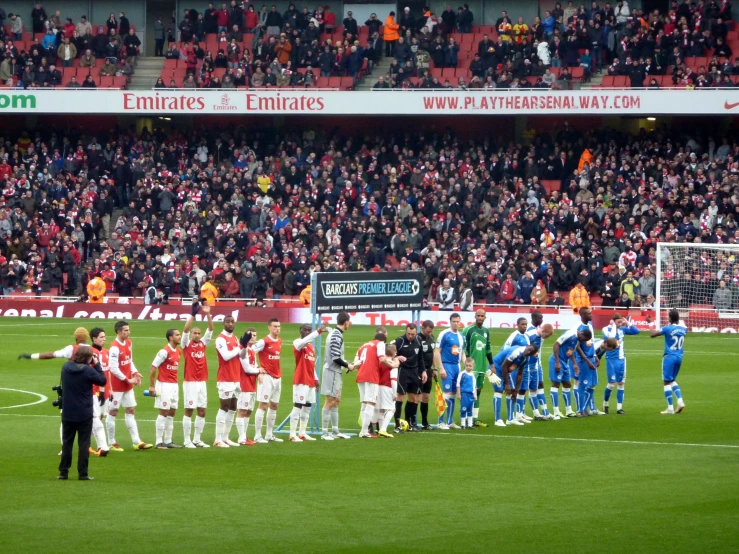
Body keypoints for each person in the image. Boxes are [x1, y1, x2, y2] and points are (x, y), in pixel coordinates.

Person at [18, 327, 91, 454]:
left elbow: (51, 355)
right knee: (90, 419)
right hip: (89, 389)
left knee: (65, 417)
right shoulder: (94, 350)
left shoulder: (71, 349)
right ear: (88, 337)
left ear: (75, 338)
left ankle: (65, 448)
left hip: (71, 388)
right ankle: (93, 447)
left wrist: (31, 356)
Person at [58, 345, 106, 480]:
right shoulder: (88, 371)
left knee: (67, 443)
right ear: (89, 358)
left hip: (68, 412)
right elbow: (102, 380)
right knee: (84, 444)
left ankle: (63, 472)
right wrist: (97, 365)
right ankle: (83, 473)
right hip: (84, 412)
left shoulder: (65, 367)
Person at [107, 321, 153, 451]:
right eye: (126, 330)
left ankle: (136, 441)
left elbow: (129, 360)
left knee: (131, 410)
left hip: (128, 384)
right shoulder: (114, 348)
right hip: (116, 386)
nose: (128, 332)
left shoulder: (128, 343)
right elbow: (113, 368)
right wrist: (127, 379)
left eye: (128, 330)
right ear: (119, 332)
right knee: (113, 412)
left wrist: (135, 372)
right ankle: (111, 442)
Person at [356, 327, 399, 438]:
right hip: (371, 376)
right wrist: (393, 365)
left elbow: (357, 362)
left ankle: (365, 429)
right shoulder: (379, 344)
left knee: (365, 403)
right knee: (371, 403)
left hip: (360, 375)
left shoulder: (363, 345)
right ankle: (365, 431)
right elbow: (382, 359)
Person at [181, 302, 213, 448]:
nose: (197, 335)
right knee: (189, 410)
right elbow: (186, 329)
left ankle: (197, 439)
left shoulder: (203, 344)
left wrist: (207, 314)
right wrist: (193, 315)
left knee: (202, 410)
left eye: (199, 333)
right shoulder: (186, 344)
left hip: (202, 382)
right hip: (190, 381)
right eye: (195, 333)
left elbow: (211, 329)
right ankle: (187, 440)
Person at [290, 323, 326, 441]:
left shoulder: (311, 347)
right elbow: (304, 341)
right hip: (301, 379)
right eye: (305, 330)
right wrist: (318, 331)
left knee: (307, 406)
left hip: (310, 380)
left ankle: (302, 432)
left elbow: (311, 365)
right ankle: (292, 434)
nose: (307, 332)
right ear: (300, 330)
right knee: (298, 405)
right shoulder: (297, 343)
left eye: (309, 330)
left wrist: (316, 379)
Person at [321, 311, 354, 440]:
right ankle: (324, 433)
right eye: (349, 322)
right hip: (331, 371)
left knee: (336, 401)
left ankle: (335, 431)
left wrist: (346, 363)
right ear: (346, 322)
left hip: (336, 372)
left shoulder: (336, 334)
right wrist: (348, 366)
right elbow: (335, 357)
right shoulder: (336, 336)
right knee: (330, 401)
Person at [149, 328, 183, 449]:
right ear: (170, 337)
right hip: (164, 384)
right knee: (163, 411)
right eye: (177, 335)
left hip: (174, 385)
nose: (180, 337)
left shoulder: (178, 352)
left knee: (172, 411)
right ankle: (158, 442)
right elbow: (153, 367)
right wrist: (152, 386)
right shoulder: (164, 351)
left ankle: (168, 441)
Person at [252, 317, 283, 443]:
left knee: (274, 405)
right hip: (267, 377)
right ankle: (257, 435)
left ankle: (269, 434)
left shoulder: (279, 341)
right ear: (269, 327)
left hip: (277, 377)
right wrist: (257, 368)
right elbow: (250, 352)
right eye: (274, 326)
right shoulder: (263, 341)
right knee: (263, 405)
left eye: (279, 326)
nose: (277, 329)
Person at [650, 309, 687, 414]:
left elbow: (652, 334)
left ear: (670, 318)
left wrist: (650, 323)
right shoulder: (684, 329)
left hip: (669, 357)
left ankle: (670, 408)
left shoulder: (667, 328)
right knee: (672, 380)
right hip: (679, 357)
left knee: (666, 381)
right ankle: (680, 401)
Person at [491, 344, 538, 427]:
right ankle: (497, 419)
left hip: (506, 370)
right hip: (496, 368)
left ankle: (510, 419)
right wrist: (507, 384)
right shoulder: (516, 352)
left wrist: (516, 390)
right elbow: (503, 366)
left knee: (512, 392)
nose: (528, 352)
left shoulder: (526, 359)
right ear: (527, 346)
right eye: (529, 349)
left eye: (531, 352)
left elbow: (520, 374)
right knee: (499, 391)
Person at [550, 325, 591, 420]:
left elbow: (570, 351)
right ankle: (556, 412)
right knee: (555, 384)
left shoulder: (577, 339)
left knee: (567, 384)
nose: (583, 341)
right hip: (557, 361)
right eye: (583, 339)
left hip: (565, 362)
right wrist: (557, 362)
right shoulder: (570, 334)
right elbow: (556, 344)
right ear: (581, 333)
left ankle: (568, 410)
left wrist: (575, 364)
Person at [602, 313, 640, 414]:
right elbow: (611, 338)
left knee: (621, 383)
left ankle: (619, 408)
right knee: (611, 384)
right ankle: (605, 404)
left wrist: (627, 322)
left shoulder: (622, 329)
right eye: (618, 322)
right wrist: (614, 325)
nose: (620, 324)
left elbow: (636, 331)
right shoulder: (606, 329)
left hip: (622, 360)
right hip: (611, 359)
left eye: (621, 322)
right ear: (613, 321)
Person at [393, 323, 428, 432]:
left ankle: (408, 423)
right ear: (406, 331)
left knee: (412, 398)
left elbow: (420, 357)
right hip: (402, 371)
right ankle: (397, 425)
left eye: (412, 334)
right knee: (400, 397)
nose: (410, 336)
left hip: (414, 371)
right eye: (408, 333)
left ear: (416, 332)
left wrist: (423, 371)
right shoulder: (399, 341)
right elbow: (387, 350)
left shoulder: (418, 341)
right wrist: (397, 356)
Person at [214, 315, 242, 447]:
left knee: (233, 407)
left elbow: (241, 356)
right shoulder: (220, 339)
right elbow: (226, 356)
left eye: (232, 322)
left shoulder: (235, 338)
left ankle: (225, 437)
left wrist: (244, 347)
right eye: (228, 322)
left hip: (236, 377)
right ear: (223, 323)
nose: (230, 324)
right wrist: (239, 347)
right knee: (224, 407)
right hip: (225, 377)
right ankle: (218, 439)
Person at [462, 309, 493, 427]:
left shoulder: (486, 331)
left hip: (482, 367)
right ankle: (465, 417)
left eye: (482, 316)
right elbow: (463, 347)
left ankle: (475, 418)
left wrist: (492, 365)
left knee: (478, 392)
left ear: (485, 317)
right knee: (469, 392)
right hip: (471, 368)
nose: (480, 317)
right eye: (478, 315)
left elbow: (488, 348)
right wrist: (467, 363)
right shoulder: (468, 330)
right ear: (475, 316)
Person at [434, 313, 464, 429]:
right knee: (446, 394)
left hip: (457, 367)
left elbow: (462, 353)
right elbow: (437, 352)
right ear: (450, 322)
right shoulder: (444, 334)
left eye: (458, 321)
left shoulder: (461, 336)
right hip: (447, 366)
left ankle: (450, 421)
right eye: (454, 321)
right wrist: (441, 368)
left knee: (453, 394)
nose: (456, 323)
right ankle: (440, 422)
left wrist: (466, 366)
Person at [524, 314, 555, 421]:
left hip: (537, 365)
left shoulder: (540, 336)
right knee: (529, 388)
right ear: (543, 331)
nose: (547, 338)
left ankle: (545, 411)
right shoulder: (529, 335)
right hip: (528, 366)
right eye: (547, 336)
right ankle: (534, 413)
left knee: (540, 386)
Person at [504, 317, 532, 424]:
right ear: (517, 325)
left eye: (526, 324)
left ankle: (519, 414)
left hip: (522, 366)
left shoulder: (526, 336)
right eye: (522, 324)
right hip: (513, 367)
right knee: (512, 390)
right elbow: (505, 350)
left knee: (521, 389)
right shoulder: (513, 336)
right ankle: (511, 416)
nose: (524, 326)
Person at [89, 327, 111, 456]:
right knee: (94, 417)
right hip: (95, 390)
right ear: (94, 339)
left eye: (104, 337)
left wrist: (110, 390)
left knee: (99, 417)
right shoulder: (91, 352)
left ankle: (93, 444)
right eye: (101, 337)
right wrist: (101, 391)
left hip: (104, 389)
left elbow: (106, 372)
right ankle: (99, 446)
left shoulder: (106, 352)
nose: (104, 339)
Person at [237, 328, 259, 445]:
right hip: (244, 384)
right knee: (242, 410)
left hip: (252, 384)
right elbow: (247, 369)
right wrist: (259, 371)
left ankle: (244, 437)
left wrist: (258, 371)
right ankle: (241, 438)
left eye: (255, 335)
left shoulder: (253, 351)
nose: (253, 337)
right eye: (250, 335)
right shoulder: (243, 351)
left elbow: (254, 366)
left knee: (249, 411)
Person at [418, 320, 437, 430]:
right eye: (428, 331)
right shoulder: (418, 338)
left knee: (426, 397)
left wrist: (435, 368)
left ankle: (425, 422)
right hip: (420, 371)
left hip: (429, 371)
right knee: (416, 397)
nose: (429, 333)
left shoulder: (431, 338)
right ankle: (412, 421)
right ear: (423, 328)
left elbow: (432, 353)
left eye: (431, 331)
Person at [456, 358, 477, 428]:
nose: (468, 367)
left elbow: (474, 386)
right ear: (464, 365)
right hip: (464, 394)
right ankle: (463, 424)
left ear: (473, 366)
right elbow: (458, 384)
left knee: (470, 409)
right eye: (467, 365)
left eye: (470, 366)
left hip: (471, 394)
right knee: (463, 409)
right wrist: (459, 394)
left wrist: (475, 394)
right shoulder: (462, 374)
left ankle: (470, 424)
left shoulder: (473, 375)